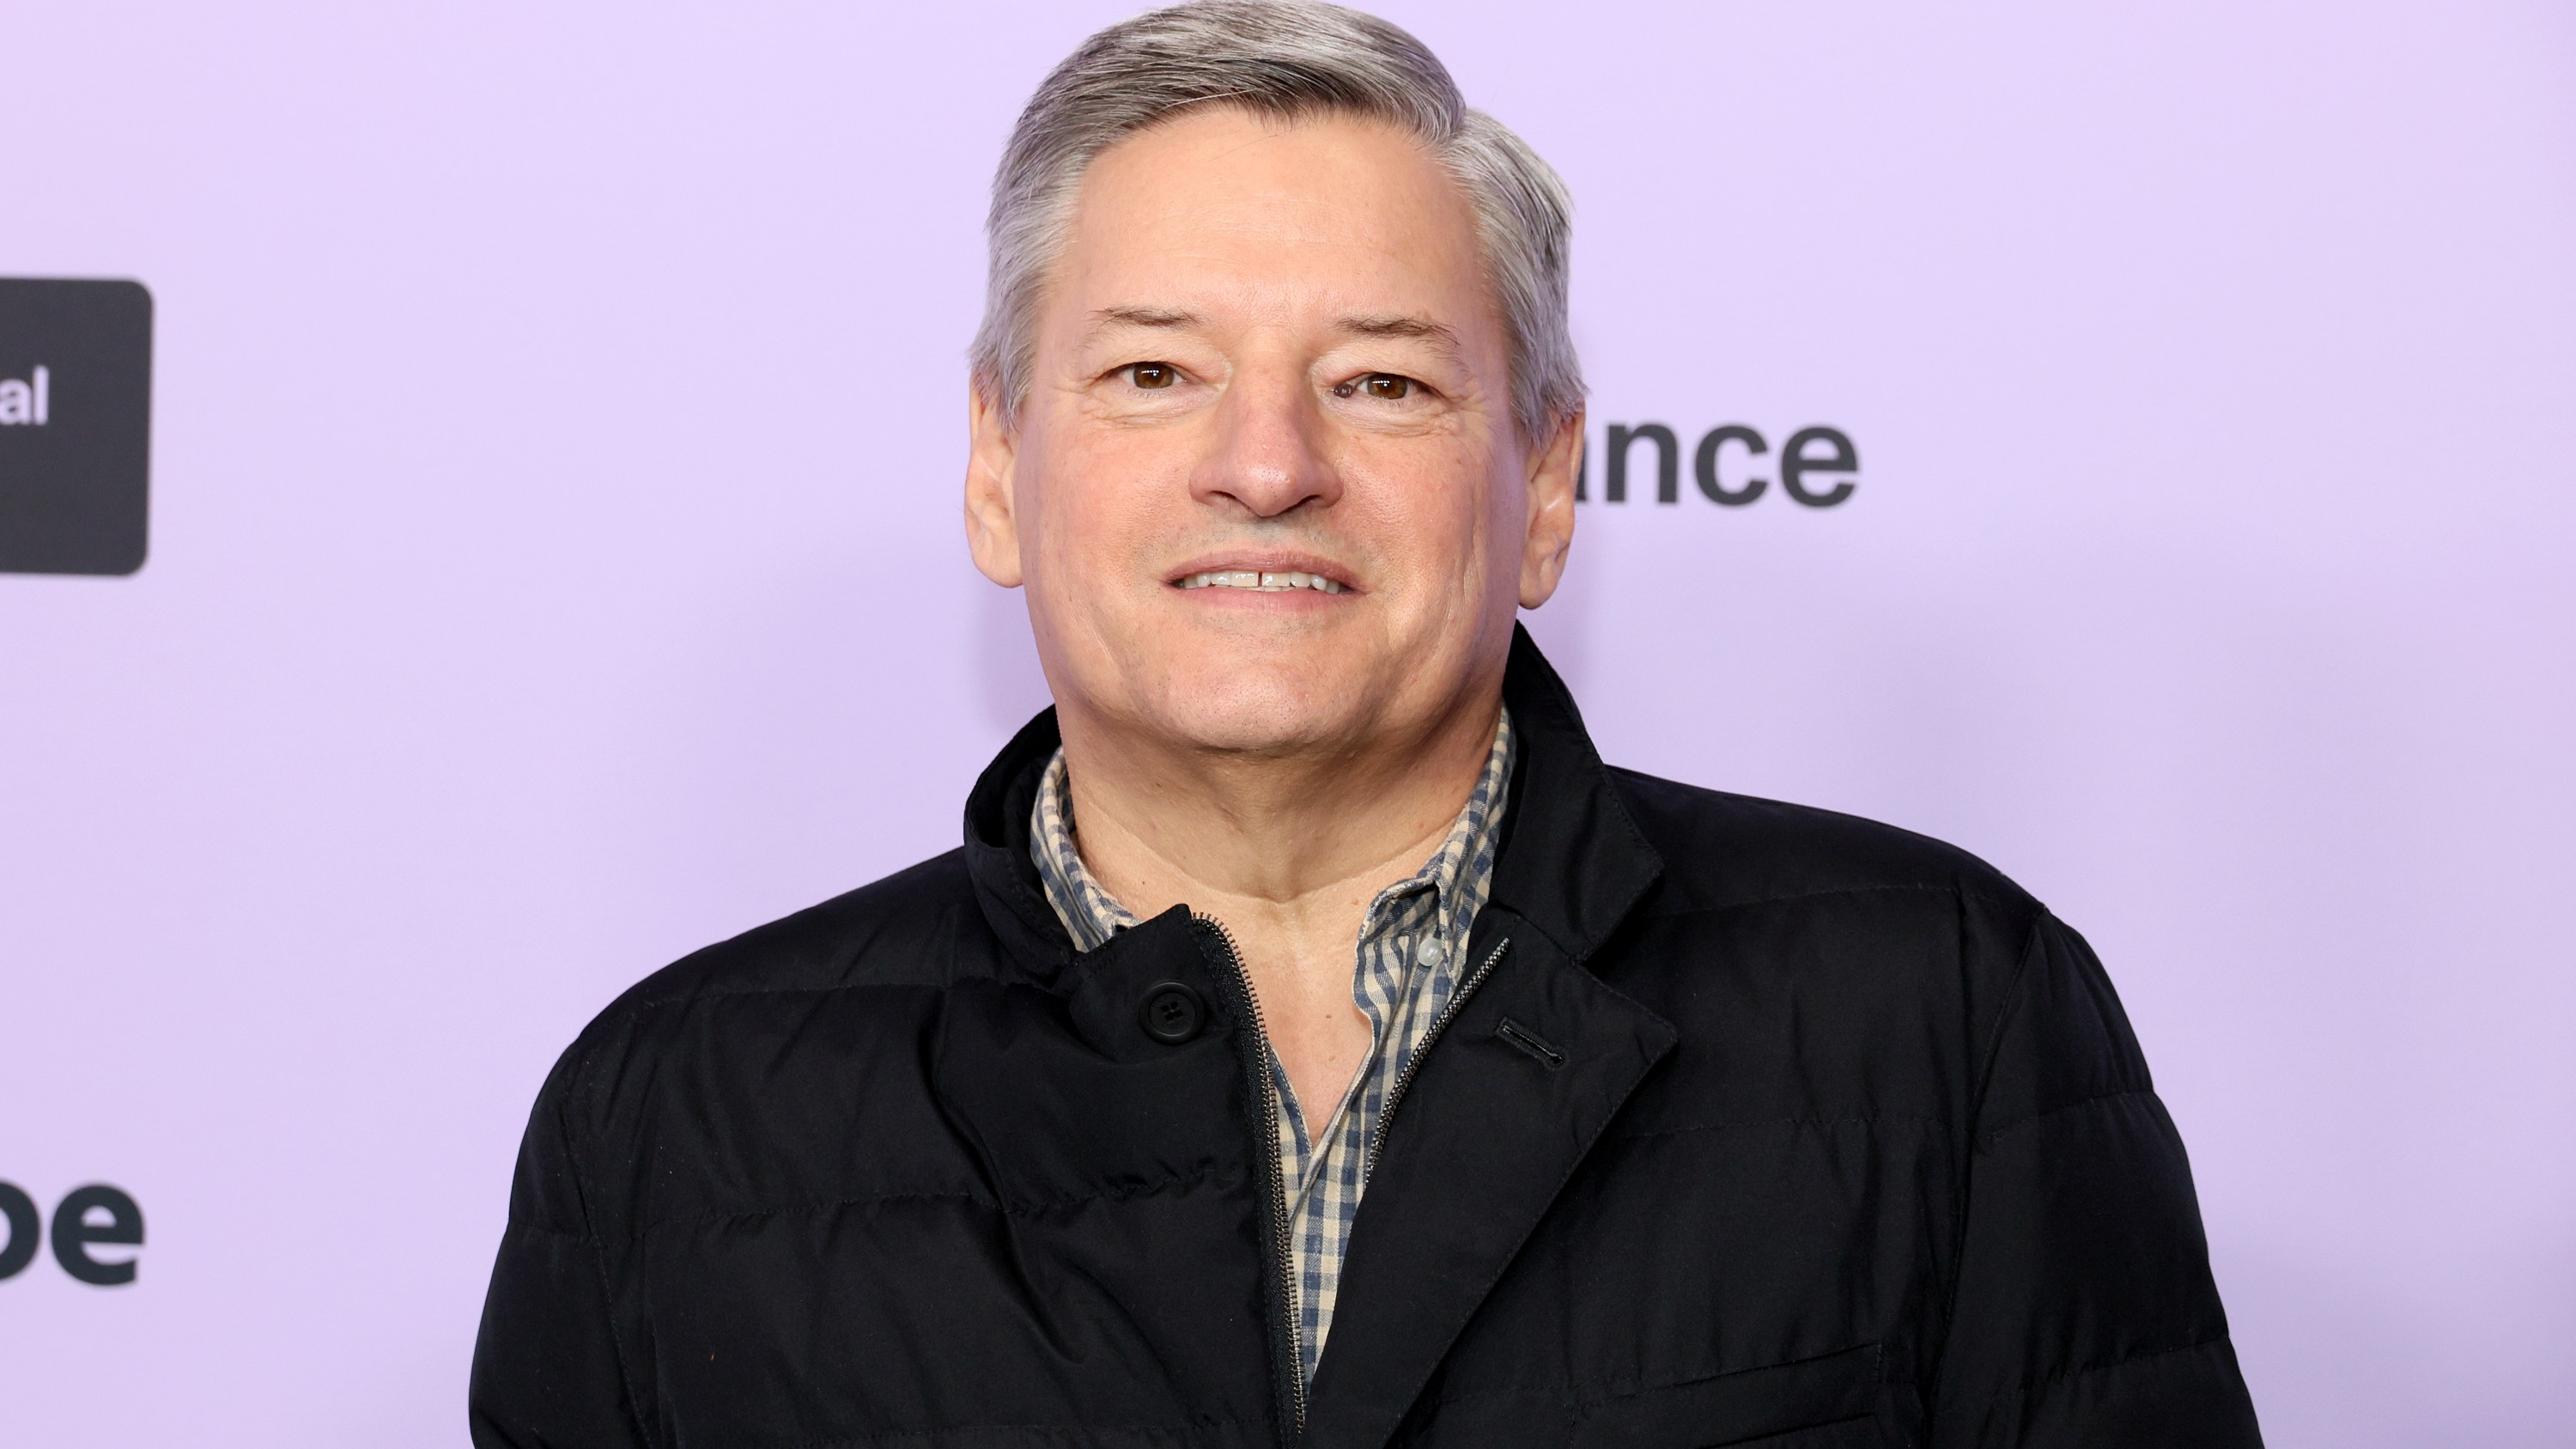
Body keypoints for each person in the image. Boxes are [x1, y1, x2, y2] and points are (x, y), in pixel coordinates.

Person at [469, 3, 2262, 1445]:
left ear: (1544, 482)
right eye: (1154, 372)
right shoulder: (673, 1121)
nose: (1267, 465)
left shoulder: (1944, 1019)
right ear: (1000, 463)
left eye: (1382, 382)